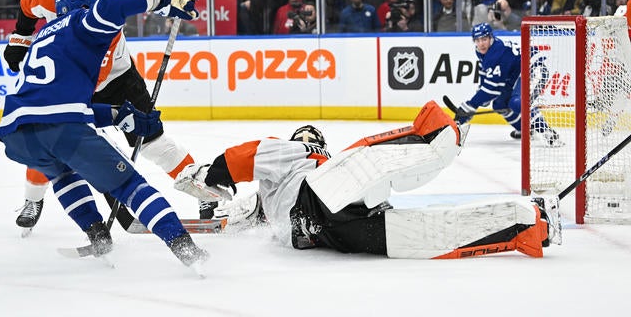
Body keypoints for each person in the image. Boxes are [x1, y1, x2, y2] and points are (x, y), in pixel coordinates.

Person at [0, 0, 209, 270]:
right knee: (130, 186)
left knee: (62, 175)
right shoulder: (82, 23)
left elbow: (72, 106)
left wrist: (119, 116)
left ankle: (97, 235)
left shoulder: (45, 34)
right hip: (61, 125)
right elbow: (112, 7)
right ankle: (187, 249)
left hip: (16, 132)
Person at [173, 104, 561, 259]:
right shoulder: (297, 153)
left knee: (422, 234)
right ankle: (440, 136)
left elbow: (240, 191)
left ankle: (525, 223)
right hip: (321, 204)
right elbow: (250, 155)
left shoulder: (281, 181)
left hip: (317, 232)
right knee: (379, 160)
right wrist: (210, 183)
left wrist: (209, 189)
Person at [454, 23, 562, 147]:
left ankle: (549, 133)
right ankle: (525, 129)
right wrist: (479, 98)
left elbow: (493, 88)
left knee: (516, 102)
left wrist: (471, 105)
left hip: (533, 68)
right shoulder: (482, 52)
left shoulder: (496, 52)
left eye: (484, 39)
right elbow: (486, 77)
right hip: (516, 75)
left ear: (491, 38)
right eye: (477, 40)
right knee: (499, 104)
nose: (481, 43)